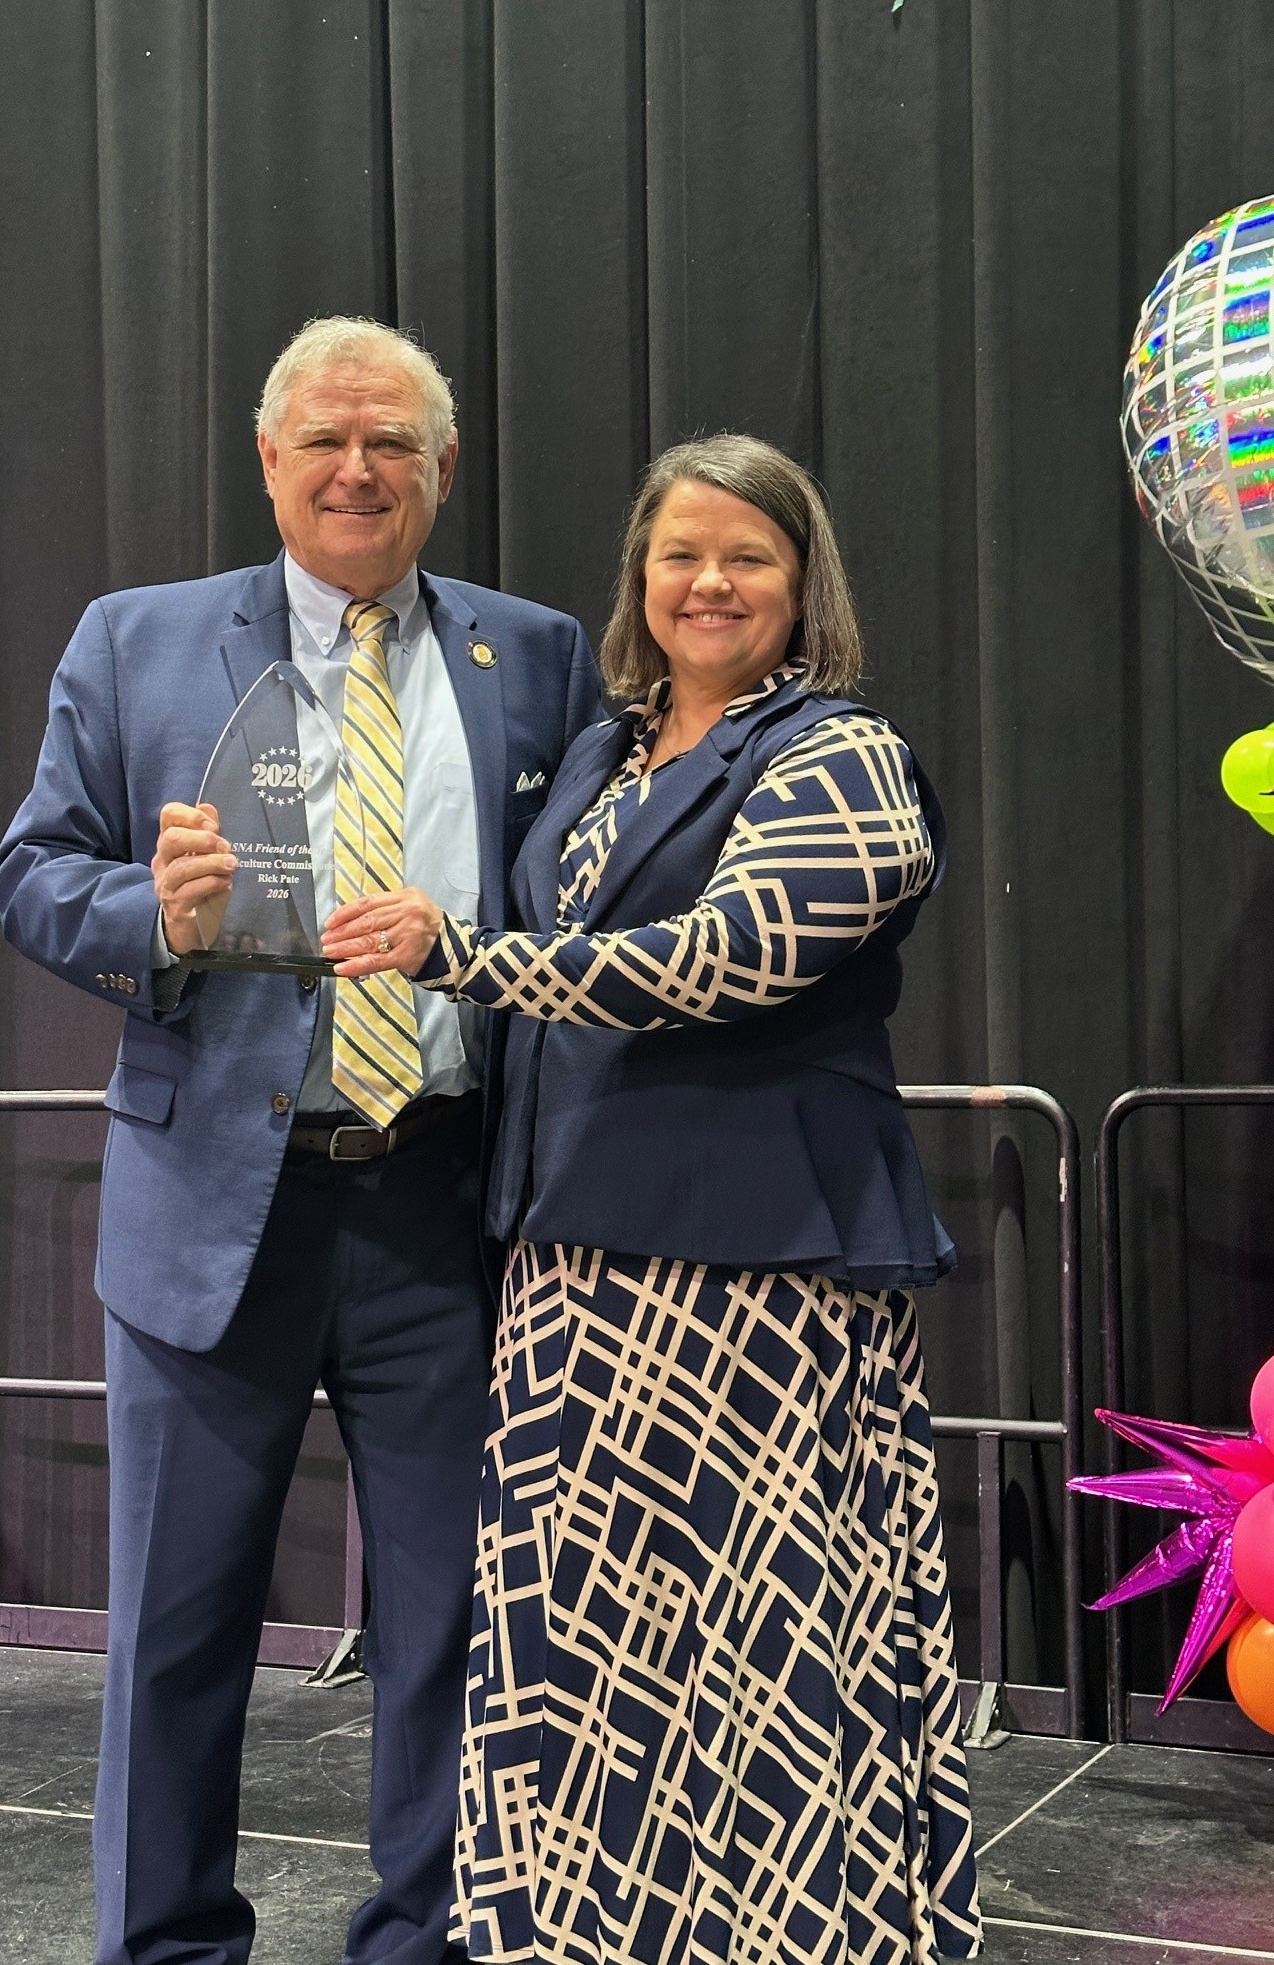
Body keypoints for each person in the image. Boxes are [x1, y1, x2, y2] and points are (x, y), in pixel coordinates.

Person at [321, 434, 984, 1963]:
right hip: (571, 1275)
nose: (709, 582)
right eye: (680, 553)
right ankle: (589, 1930)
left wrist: (463, 955)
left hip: (751, 1276)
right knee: (584, 1648)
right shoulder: (610, 753)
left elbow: (733, 956)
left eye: (748, 555)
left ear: (801, 582)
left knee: (757, 1642)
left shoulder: (837, 755)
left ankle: (791, 1935)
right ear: (640, 579)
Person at [0, 315, 601, 1965]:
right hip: (212, 1218)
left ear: (443, 471)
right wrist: (157, 914)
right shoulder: (137, 644)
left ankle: (429, 1936)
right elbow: (33, 876)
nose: (357, 469)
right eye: (325, 439)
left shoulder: (537, 657)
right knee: (179, 1631)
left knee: (452, 1629)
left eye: (392, 443)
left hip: (450, 1211)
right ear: (268, 461)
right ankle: (170, 1946)